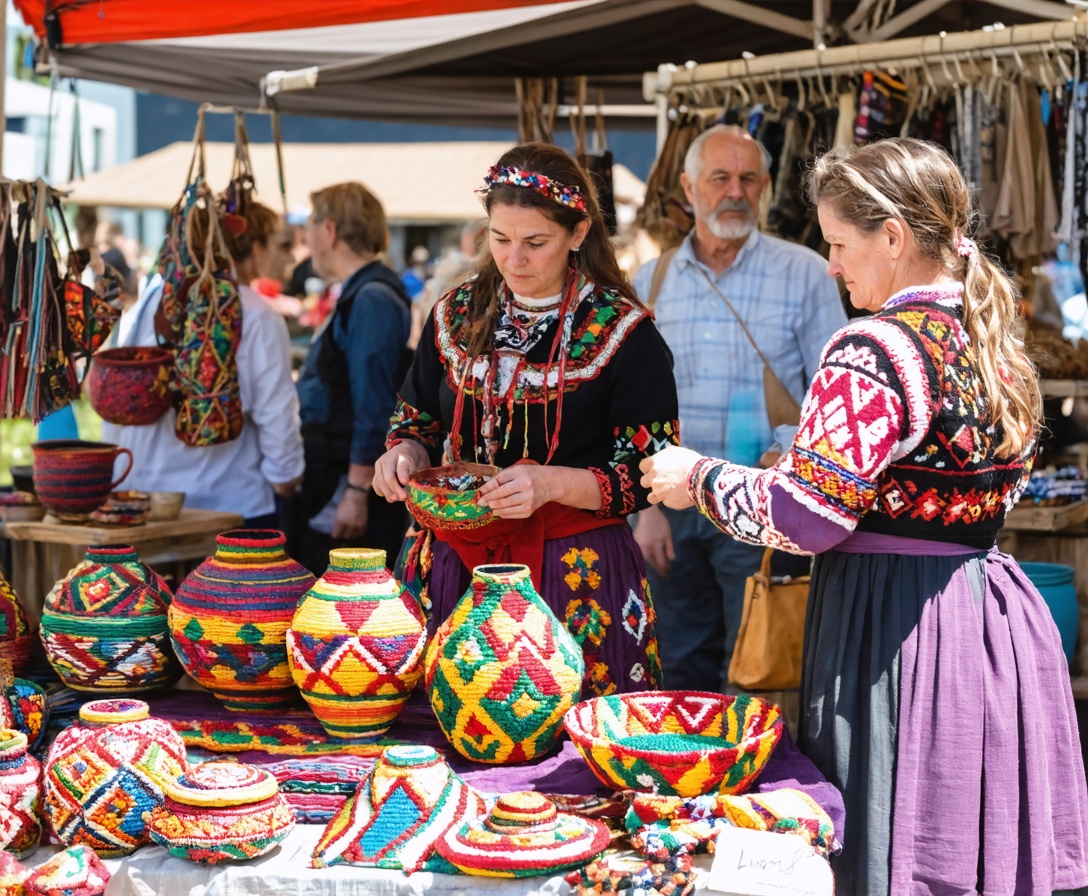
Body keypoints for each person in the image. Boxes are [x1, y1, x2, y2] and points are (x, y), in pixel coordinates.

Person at [639, 137, 1088, 896]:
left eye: (841, 244)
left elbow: (809, 518)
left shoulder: (873, 349)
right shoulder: (995, 344)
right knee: (970, 840)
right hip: (985, 615)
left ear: (894, 237)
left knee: (894, 838)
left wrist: (700, 478)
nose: (832, 265)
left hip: (894, 629)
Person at [372, 143, 680, 696]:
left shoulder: (625, 333)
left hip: (573, 575)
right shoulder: (454, 314)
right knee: (442, 729)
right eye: (500, 239)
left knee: (572, 734)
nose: (514, 259)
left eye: (535, 243)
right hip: (452, 565)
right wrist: (405, 453)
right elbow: (416, 419)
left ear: (578, 233)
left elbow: (652, 474)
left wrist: (551, 484)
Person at [631, 123, 847, 692]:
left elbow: (831, 394)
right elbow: (631, 407)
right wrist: (644, 510)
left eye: (748, 179)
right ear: (688, 187)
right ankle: (685, 750)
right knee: (678, 667)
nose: (735, 191)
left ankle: (753, 754)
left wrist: (789, 448)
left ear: (766, 187)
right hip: (672, 507)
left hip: (761, 502)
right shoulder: (650, 280)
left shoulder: (805, 272)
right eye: (720, 178)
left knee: (758, 670)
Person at [101, 201, 304, 529]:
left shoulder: (152, 304)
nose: (291, 256)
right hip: (227, 505)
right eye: (281, 244)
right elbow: (276, 412)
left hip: (144, 499)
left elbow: (120, 396)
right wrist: (286, 478)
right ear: (253, 247)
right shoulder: (256, 313)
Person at [294, 182, 412, 575]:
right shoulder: (362, 292)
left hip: (347, 483)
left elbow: (373, 402)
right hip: (335, 473)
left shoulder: (372, 298)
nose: (306, 238)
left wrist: (357, 491)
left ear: (329, 230)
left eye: (309, 226)